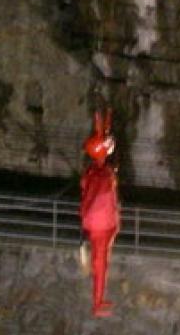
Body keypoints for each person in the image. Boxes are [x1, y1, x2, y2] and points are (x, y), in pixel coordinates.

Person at [79, 108, 120, 317]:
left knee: (99, 259)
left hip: (92, 221)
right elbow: (110, 198)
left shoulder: (91, 173)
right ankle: (98, 301)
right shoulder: (106, 175)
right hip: (103, 223)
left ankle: (98, 298)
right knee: (101, 261)